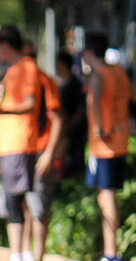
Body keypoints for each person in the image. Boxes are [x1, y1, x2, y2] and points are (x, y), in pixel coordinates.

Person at [0, 25, 41, 261]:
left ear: (6, 44)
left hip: (19, 143)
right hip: (9, 143)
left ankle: (18, 258)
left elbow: (30, 103)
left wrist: (5, 113)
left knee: (14, 201)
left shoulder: (26, 67)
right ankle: (23, 257)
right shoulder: (12, 71)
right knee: (18, 200)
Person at [81, 31, 134, 261]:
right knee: (110, 195)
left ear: (90, 53)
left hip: (104, 144)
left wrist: (101, 128)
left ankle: (110, 253)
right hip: (121, 139)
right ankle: (112, 251)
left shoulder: (99, 75)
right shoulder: (118, 71)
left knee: (106, 197)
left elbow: (95, 103)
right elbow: (130, 96)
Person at [22, 40, 63, 261]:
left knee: (39, 206)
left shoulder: (45, 81)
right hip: (21, 149)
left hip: (39, 150)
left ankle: (39, 257)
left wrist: (49, 152)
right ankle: (25, 255)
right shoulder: (16, 79)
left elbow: (57, 117)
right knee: (23, 204)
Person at [54, 51, 86, 179]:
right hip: (65, 129)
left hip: (75, 131)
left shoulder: (75, 84)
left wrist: (70, 125)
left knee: (75, 162)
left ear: (62, 64)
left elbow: (81, 109)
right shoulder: (62, 84)